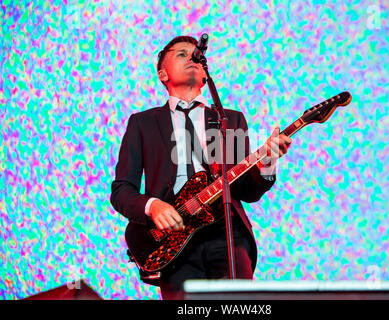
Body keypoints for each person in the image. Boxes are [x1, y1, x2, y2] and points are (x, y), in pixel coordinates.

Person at [110, 35, 291, 299]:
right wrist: (153, 206)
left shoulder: (228, 119)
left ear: (206, 75)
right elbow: (122, 190)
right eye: (182, 54)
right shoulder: (142, 123)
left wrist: (266, 161)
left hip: (226, 231)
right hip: (172, 240)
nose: (192, 58)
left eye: (196, 55)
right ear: (162, 73)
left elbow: (246, 190)